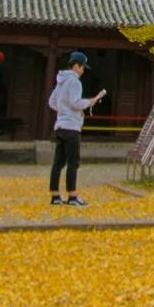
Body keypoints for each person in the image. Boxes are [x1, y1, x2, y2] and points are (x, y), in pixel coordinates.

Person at [48, 50, 106, 206]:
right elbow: (75, 102)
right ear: (77, 66)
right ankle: (72, 196)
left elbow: (52, 102)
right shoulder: (74, 81)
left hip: (60, 125)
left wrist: (63, 111)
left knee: (58, 163)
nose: (83, 71)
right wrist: (90, 102)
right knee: (73, 162)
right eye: (82, 67)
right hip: (71, 127)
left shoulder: (61, 80)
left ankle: (55, 196)